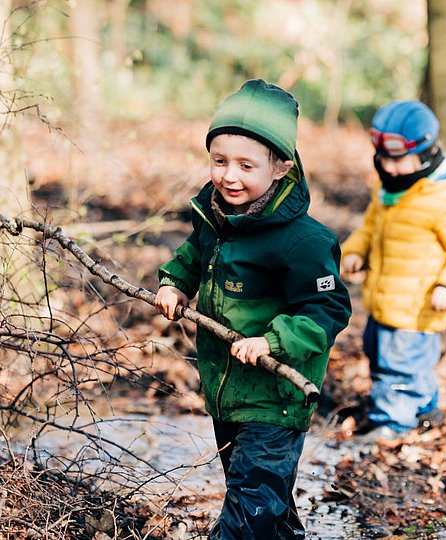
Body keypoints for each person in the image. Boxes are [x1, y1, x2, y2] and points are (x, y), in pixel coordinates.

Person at [153, 79, 352, 540]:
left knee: (248, 512)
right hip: (227, 391)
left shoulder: (303, 241)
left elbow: (328, 307)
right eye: (219, 161)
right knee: (266, 509)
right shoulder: (215, 216)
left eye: (246, 165)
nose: (229, 176)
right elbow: (193, 254)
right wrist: (174, 284)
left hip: (276, 399)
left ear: (281, 167)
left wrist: (274, 340)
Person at [340, 100, 446, 441]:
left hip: (417, 305)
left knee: (398, 365)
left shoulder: (443, 196)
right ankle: (423, 408)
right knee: (379, 352)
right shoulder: (389, 189)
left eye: (397, 159)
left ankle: (392, 421)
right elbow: (370, 227)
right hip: (385, 300)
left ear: (426, 152)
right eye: (383, 159)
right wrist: (355, 251)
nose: (388, 168)